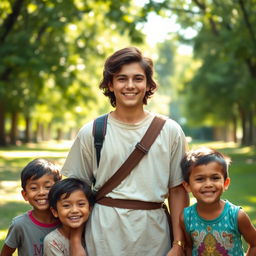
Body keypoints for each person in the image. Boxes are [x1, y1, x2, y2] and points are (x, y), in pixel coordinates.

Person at [62, 46, 189, 256]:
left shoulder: (170, 131)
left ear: (148, 84)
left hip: (154, 235)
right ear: (110, 84)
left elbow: (178, 191)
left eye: (138, 78)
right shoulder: (92, 132)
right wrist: (76, 242)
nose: (130, 85)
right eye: (122, 79)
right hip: (103, 235)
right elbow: (76, 192)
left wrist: (178, 244)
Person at [180, 147, 256, 255]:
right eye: (200, 179)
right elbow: (188, 247)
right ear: (187, 186)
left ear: (225, 183)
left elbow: (255, 243)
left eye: (215, 178)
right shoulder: (186, 218)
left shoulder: (236, 216)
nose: (208, 184)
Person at [0, 158, 62, 256]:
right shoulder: (19, 225)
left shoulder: (65, 221)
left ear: (58, 190)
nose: (41, 193)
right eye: (34, 188)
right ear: (25, 195)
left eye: (48, 187)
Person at [43, 178, 94, 256]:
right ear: (55, 212)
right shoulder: (53, 242)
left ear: (90, 208)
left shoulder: (94, 233)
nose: (74, 210)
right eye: (66, 205)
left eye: (81, 204)